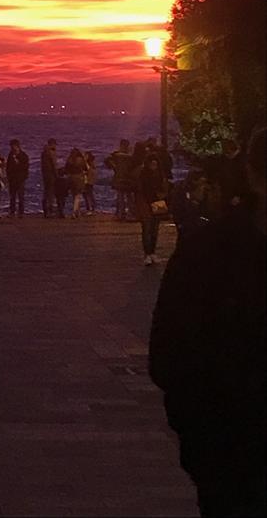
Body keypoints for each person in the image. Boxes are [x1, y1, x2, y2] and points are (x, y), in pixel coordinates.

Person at [149, 127, 266, 518]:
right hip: (232, 453)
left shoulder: (205, 251)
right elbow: (170, 357)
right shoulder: (209, 251)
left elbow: (169, 356)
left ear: (250, 173)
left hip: (228, 452)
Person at [134, 148, 169, 265]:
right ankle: (147, 254)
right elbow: (140, 190)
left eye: (155, 164)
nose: (154, 166)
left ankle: (152, 253)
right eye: (152, 163)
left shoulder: (160, 175)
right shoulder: (143, 175)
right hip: (146, 204)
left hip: (156, 204)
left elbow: (164, 188)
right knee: (147, 229)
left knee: (154, 230)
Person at [105, 139, 133, 220]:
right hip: (127, 178)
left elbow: (107, 161)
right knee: (128, 197)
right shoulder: (129, 156)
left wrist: (114, 167)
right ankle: (129, 213)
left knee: (120, 197)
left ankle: (121, 213)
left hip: (119, 178)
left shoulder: (117, 155)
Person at [6, 139, 29, 218]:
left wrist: (24, 176)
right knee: (12, 196)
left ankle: (21, 212)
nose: (12, 148)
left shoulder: (23, 155)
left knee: (21, 196)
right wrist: (8, 176)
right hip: (12, 178)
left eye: (14, 146)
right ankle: (12, 212)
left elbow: (25, 167)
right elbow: (8, 167)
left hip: (20, 178)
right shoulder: (10, 155)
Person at [65, 147, 88, 219]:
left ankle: (77, 211)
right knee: (78, 196)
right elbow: (86, 168)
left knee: (73, 195)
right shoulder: (81, 160)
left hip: (70, 178)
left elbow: (66, 169)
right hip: (79, 177)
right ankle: (74, 212)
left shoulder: (69, 159)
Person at [41, 139, 59, 219]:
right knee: (51, 193)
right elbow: (54, 165)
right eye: (54, 144)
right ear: (52, 144)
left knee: (46, 192)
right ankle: (50, 211)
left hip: (45, 175)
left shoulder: (43, 153)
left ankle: (45, 210)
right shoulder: (51, 153)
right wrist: (57, 175)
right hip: (51, 175)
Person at [83, 151, 97, 215]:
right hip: (88, 181)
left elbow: (89, 172)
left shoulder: (89, 164)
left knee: (88, 195)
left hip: (87, 181)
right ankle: (91, 208)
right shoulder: (91, 164)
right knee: (88, 194)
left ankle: (90, 209)